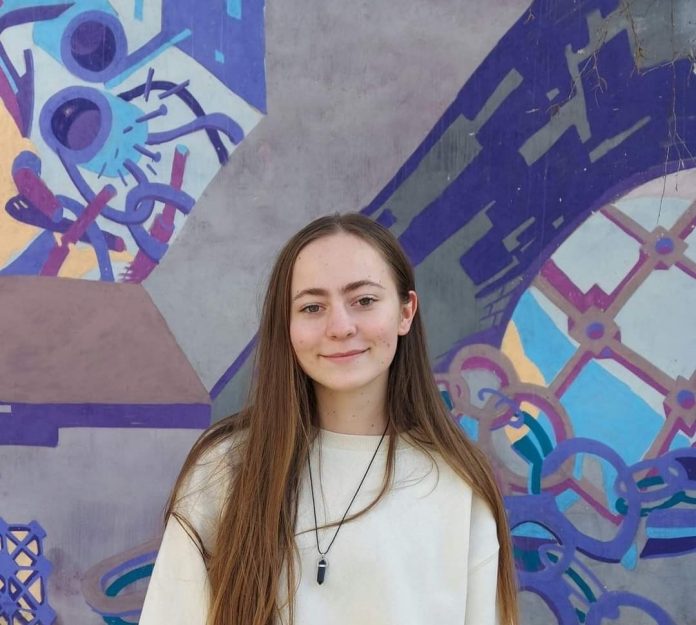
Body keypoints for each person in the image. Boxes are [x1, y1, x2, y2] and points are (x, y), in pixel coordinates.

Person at [139, 213, 519, 625]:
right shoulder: (226, 467)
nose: (340, 327)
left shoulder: (458, 481)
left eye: (365, 301)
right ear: (286, 324)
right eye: (312, 307)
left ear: (406, 312)